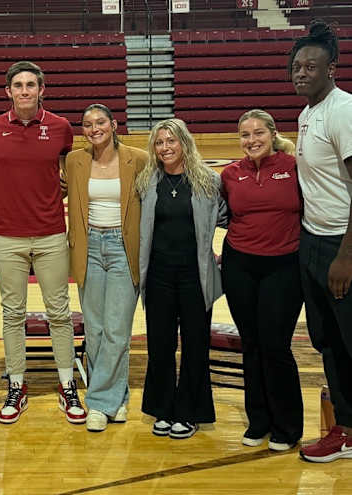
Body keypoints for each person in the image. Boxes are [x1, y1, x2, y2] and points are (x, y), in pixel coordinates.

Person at [0, 61, 86, 424]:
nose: (24, 91)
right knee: (12, 314)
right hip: (7, 237)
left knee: (59, 313)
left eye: (30, 85)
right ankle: (16, 384)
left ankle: (67, 384)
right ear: (8, 91)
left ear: (41, 90)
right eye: (18, 85)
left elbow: (72, 169)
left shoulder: (60, 128)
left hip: (52, 233)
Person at [136, 118, 227, 439]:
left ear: (184, 143)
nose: (165, 148)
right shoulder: (146, 182)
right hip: (159, 275)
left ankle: (189, 411)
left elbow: (232, 217)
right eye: (159, 142)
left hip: (196, 276)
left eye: (171, 141)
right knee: (159, 345)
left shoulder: (208, 181)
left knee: (195, 345)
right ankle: (162, 408)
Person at [220, 109, 303, 451]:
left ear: (272, 134)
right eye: (245, 135)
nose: (251, 140)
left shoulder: (294, 166)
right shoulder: (229, 174)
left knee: (276, 344)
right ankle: (258, 420)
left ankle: (287, 426)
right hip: (240, 264)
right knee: (251, 343)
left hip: (284, 265)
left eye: (258, 133)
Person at [289, 20, 352, 463]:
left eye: (312, 66)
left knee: (349, 341)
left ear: (332, 69)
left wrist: (346, 257)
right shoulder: (306, 113)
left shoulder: (343, 110)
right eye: (296, 66)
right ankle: (344, 428)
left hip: (340, 246)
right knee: (327, 341)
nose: (302, 72)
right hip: (312, 242)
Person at [65, 104, 147, 432]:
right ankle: (117, 398)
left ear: (114, 125)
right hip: (88, 247)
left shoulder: (138, 159)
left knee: (117, 329)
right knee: (95, 329)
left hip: (122, 248)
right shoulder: (74, 161)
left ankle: (98, 403)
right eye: (87, 124)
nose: (94, 128)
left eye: (100, 122)